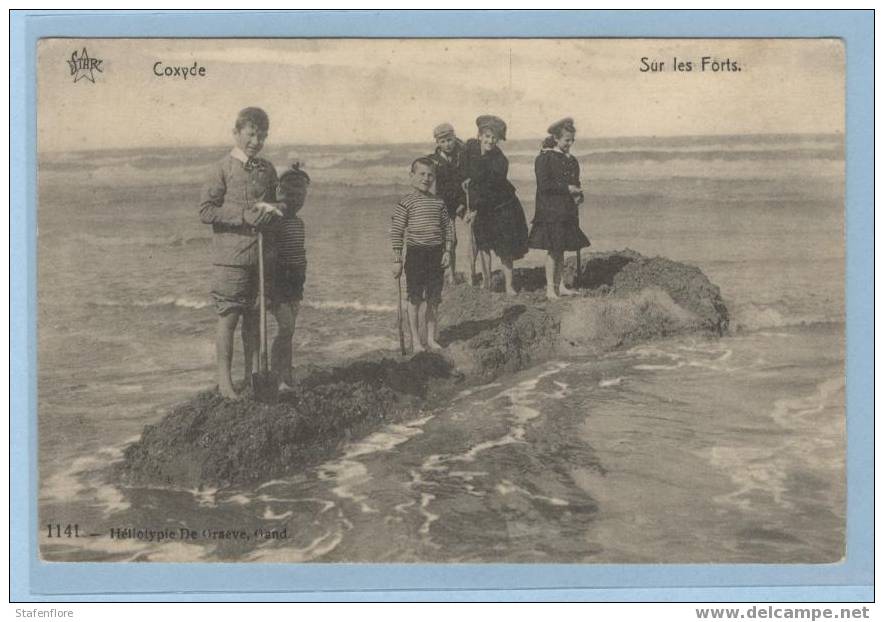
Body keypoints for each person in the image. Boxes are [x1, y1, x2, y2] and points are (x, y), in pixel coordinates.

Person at [199, 107, 282, 399]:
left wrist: (273, 212)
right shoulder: (221, 168)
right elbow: (206, 211)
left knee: (254, 318)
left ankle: (251, 377)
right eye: (251, 134)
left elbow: (277, 203)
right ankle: (225, 383)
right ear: (236, 134)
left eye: (262, 136)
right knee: (229, 316)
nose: (256, 142)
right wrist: (243, 216)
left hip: (261, 256)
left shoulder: (268, 169)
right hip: (231, 258)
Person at [391, 157, 455, 353]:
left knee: (434, 299)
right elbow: (397, 232)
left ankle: (430, 338)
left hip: (436, 254)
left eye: (430, 175)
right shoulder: (406, 203)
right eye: (422, 174)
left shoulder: (439, 202)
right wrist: (397, 259)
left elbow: (448, 228)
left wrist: (447, 250)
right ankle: (416, 341)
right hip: (416, 255)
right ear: (411, 176)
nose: (427, 178)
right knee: (415, 299)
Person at [461, 115, 529, 295]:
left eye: (494, 138)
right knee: (483, 244)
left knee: (504, 247)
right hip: (481, 205)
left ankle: (509, 286)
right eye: (487, 136)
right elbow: (464, 170)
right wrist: (465, 180)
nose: (490, 141)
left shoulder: (500, 161)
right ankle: (486, 283)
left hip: (502, 207)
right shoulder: (470, 148)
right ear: (479, 135)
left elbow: (490, 190)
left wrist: (475, 210)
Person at [528, 117, 590, 300]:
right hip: (550, 211)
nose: (569, 144)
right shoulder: (544, 158)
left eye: (572, 140)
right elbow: (544, 186)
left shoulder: (572, 160)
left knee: (561, 248)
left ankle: (560, 285)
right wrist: (567, 189)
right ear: (556, 138)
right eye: (566, 140)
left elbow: (576, 182)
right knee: (553, 250)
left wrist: (579, 195)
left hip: (566, 210)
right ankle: (549, 289)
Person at [269, 163, 310, 389]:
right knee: (286, 328)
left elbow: (300, 253)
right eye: (292, 194)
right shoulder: (277, 220)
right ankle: (277, 375)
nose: (297, 200)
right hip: (279, 280)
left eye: (302, 195)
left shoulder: (298, 222)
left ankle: (287, 374)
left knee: (290, 329)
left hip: (296, 280)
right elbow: (269, 253)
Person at [426, 123, 468, 285]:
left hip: (463, 201)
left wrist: (463, 203)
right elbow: (429, 184)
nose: (447, 144)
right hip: (445, 204)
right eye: (442, 141)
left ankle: (470, 271)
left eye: (449, 140)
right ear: (437, 143)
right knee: (451, 239)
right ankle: (450, 274)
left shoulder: (462, 156)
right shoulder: (433, 161)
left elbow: (468, 178)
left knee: (474, 233)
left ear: (454, 138)